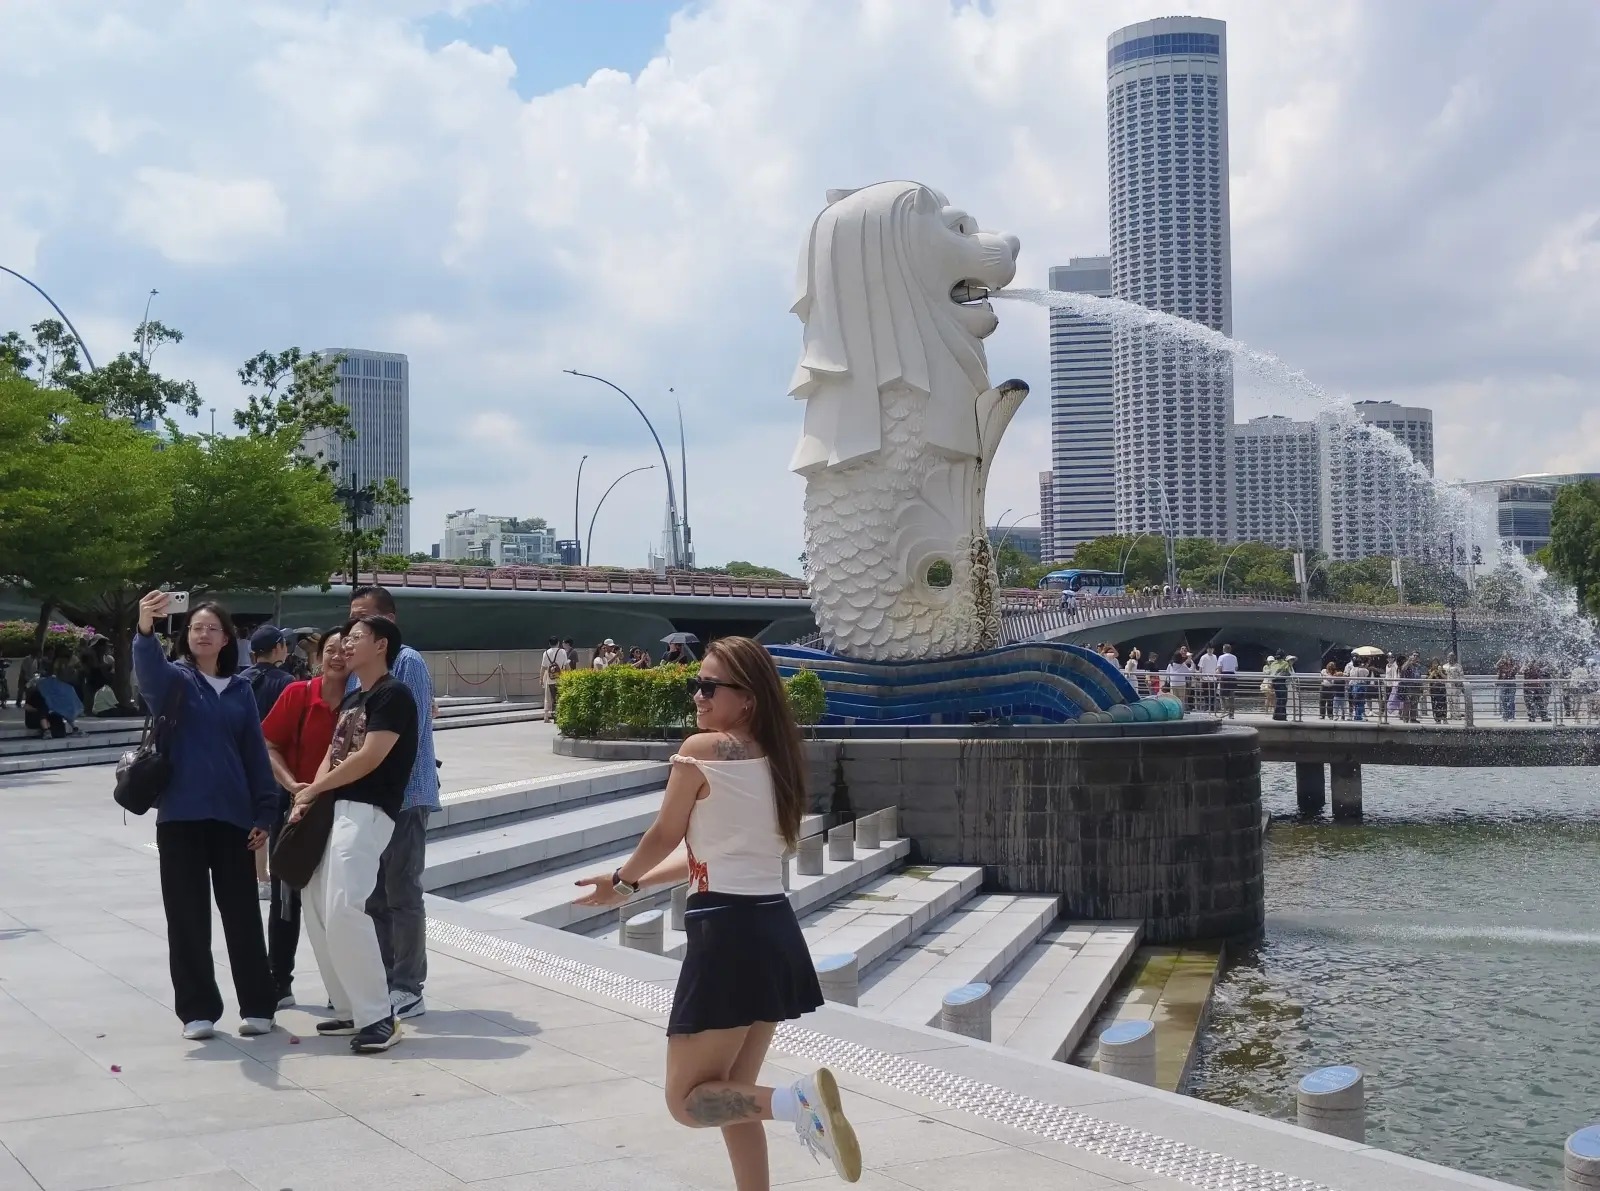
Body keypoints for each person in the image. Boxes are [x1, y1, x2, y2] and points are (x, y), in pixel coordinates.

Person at [572, 637, 861, 1184]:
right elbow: (701, 857)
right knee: (735, 1096)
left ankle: (801, 1102)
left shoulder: (703, 750)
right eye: (696, 684)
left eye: (709, 686)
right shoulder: (778, 759)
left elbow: (665, 833)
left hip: (728, 935)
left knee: (687, 1101)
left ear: (746, 698)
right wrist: (628, 889)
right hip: (772, 928)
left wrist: (620, 878)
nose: (697, 695)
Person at [133, 591, 279, 1041]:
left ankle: (258, 1004)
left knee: (241, 915)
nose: (202, 633)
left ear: (227, 639)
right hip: (180, 817)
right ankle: (197, 1011)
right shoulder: (174, 680)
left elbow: (255, 754)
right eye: (196, 627)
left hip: (233, 818)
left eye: (212, 628)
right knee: (186, 915)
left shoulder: (239, 690)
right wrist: (144, 628)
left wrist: (265, 811)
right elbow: (148, 672)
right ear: (186, 636)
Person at [289, 615, 419, 1054]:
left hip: (367, 810)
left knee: (345, 906)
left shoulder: (393, 695)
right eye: (344, 639)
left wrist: (316, 788)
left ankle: (379, 1016)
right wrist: (307, 798)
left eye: (355, 639)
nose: (345, 645)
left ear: (381, 645)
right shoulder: (354, 698)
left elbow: (370, 757)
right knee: (318, 906)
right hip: (333, 808)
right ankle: (348, 1007)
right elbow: (332, 752)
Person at [348, 585, 438, 1022]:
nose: (352, 631)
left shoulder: (408, 663)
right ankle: (382, 978)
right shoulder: (356, 668)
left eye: (363, 620)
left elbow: (412, 734)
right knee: (373, 894)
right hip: (369, 798)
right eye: (351, 620)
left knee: (403, 891)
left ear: (388, 623)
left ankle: (407, 985)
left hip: (405, 795)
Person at [261, 628, 348, 1010]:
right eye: (330, 649)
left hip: (342, 813)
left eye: (347, 649)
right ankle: (279, 981)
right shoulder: (297, 694)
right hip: (294, 811)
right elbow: (268, 744)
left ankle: (340, 987)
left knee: (337, 903)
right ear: (317, 657)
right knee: (286, 901)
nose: (338, 656)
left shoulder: (363, 703)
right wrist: (293, 784)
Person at [240, 625, 298, 900]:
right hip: (277, 759)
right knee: (276, 817)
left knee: (254, 816)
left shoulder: (240, 680)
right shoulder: (286, 682)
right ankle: (275, 875)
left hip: (244, 758)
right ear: (278, 648)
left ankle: (256, 875)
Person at [30, 666, 84, 738]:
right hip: (51, 705)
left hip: (51, 705)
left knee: (44, 713)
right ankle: (74, 729)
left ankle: (47, 731)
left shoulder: (43, 683)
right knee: (48, 712)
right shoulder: (49, 682)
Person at [540, 636, 564, 721]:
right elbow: (566, 665)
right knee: (560, 697)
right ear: (558, 643)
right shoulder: (562, 652)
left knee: (548, 697)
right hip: (561, 677)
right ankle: (559, 715)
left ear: (549, 644)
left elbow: (543, 667)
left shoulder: (546, 653)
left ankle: (546, 716)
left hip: (549, 677)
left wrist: (540, 679)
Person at [1217, 643, 1239, 718]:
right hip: (1232, 676)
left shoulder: (1221, 657)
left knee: (1222, 695)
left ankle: (1224, 710)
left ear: (1224, 649)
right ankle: (1231, 713)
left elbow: (1219, 668)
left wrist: (1218, 676)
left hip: (1224, 675)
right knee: (1231, 695)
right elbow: (1236, 668)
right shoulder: (1234, 657)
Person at [1495, 655, 1518, 721]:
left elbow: (1515, 671)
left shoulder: (1513, 666)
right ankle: (1505, 716)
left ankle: (1511, 716)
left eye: (1507, 659)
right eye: (1505, 658)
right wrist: (1501, 659)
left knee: (1511, 701)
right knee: (1503, 700)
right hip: (1503, 684)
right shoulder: (1502, 665)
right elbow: (1496, 666)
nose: (1506, 660)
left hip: (1511, 685)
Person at [1196, 645, 1218, 714]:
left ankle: (1211, 708)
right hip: (1205, 679)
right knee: (1206, 695)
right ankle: (1206, 707)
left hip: (1214, 679)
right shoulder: (1203, 657)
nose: (1210, 650)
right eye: (1208, 649)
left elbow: (1216, 667)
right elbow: (1200, 669)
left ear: (1213, 649)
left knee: (1213, 694)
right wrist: (1200, 678)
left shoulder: (1215, 657)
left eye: (1211, 649)